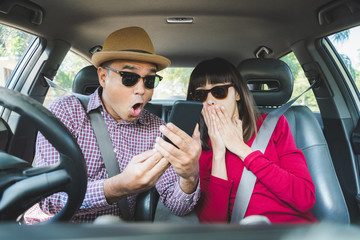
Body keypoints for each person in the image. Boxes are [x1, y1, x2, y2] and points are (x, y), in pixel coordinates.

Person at [24, 26, 201, 223]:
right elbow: (47, 198)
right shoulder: (66, 112)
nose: (141, 90)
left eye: (149, 80)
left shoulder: (156, 129)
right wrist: (118, 186)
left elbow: (178, 206)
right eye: (130, 78)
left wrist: (190, 176)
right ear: (102, 77)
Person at [186, 57, 317, 224]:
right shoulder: (200, 148)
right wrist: (219, 154)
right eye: (200, 94)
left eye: (219, 92)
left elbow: (305, 198)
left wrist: (242, 149)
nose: (210, 101)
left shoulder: (274, 126)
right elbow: (214, 225)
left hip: (298, 229)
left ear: (238, 94)